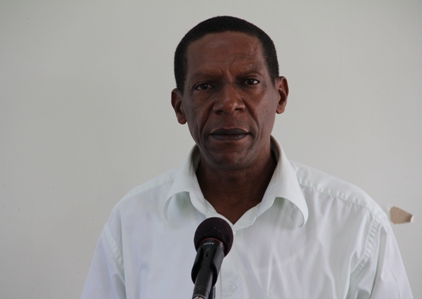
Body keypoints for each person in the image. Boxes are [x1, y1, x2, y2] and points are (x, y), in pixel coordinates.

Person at [81, 16, 413, 299]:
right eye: (205, 86)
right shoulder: (132, 222)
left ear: (280, 96)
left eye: (249, 82)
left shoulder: (355, 224)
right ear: (180, 106)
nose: (229, 103)